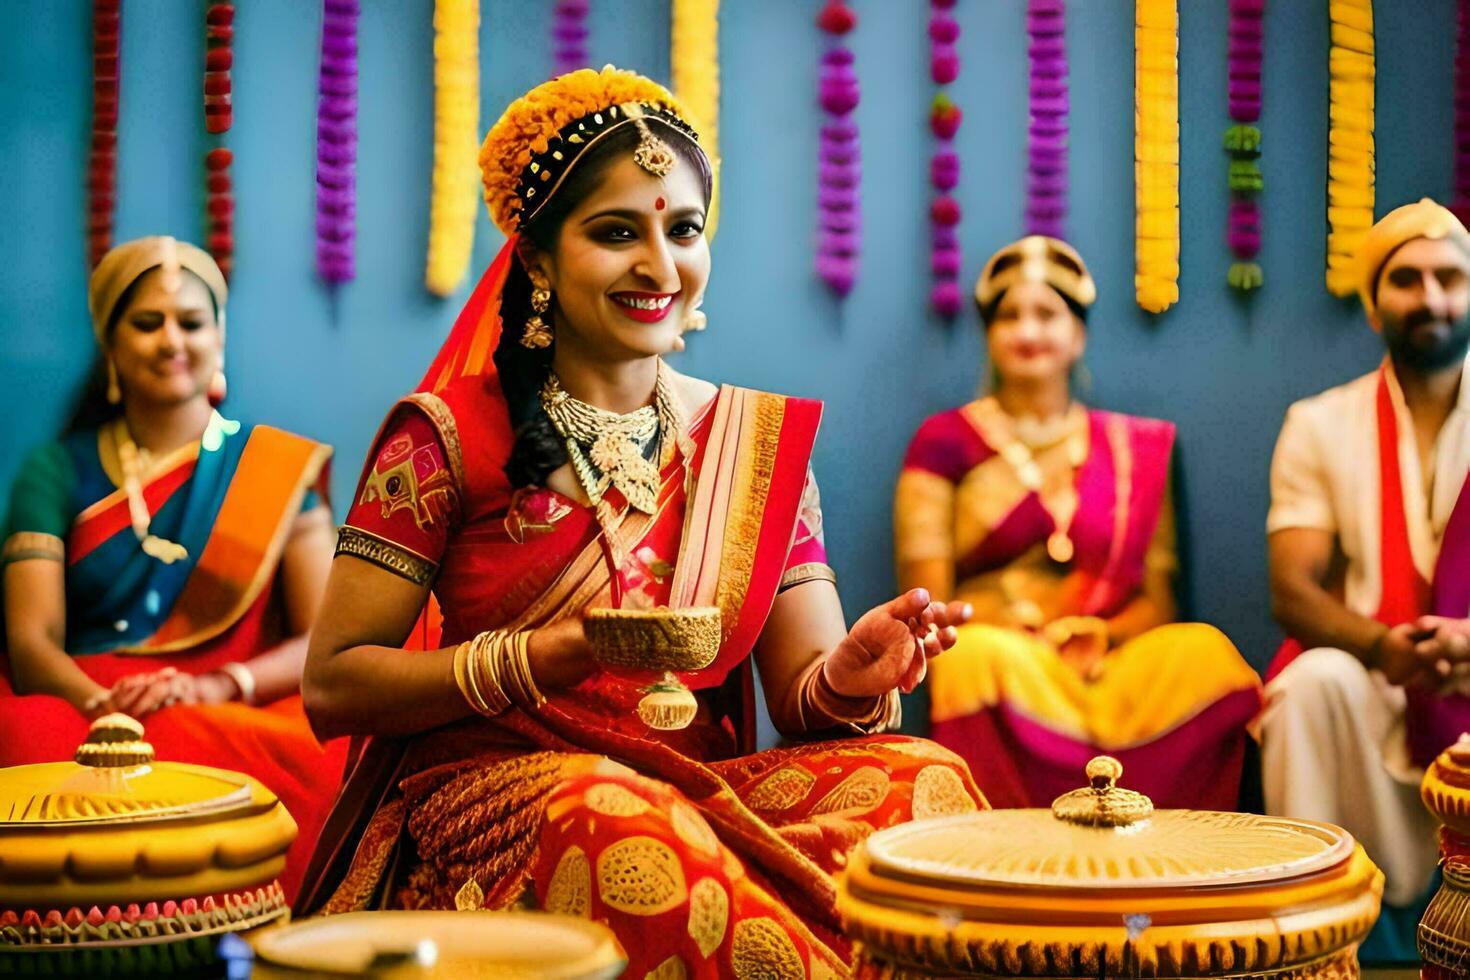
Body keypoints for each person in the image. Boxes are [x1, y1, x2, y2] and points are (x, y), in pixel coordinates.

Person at [294, 68, 982, 977]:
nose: (661, 266)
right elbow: (334, 686)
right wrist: (558, 653)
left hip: (693, 786)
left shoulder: (749, 442)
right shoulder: (448, 437)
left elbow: (801, 701)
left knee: (918, 780)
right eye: (618, 232)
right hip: (504, 801)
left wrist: (852, 677)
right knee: (622, 827)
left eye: (684, 230)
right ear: (536, 257)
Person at [0, 236, 345, 902]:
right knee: (24, 736)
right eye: (147, 322)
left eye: (191, 321)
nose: (171, 340)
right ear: (111, 343)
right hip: (82, 705)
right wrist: (102, 709)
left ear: (219, 338)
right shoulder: (55, 469)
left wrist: (218, 686)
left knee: (325, 751)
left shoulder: (273, 469)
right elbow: (31, 641)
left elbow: (322, 640)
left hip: (227, 700)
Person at [897, 235, 1262, 810]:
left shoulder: (1135, 448)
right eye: (1010, 316)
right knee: (968, 658)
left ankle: (1179, 853)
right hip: (1004, 652)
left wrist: (1101, 635)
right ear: (990, 337)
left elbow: (1159, 599)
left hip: (1108, 655)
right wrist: (1017, 624)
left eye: (1048, 314)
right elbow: (927, 606)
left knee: (1206, 651)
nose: (1028, 331)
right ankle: (1003, 859)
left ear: (1078, 335)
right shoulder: (944, 440)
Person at [1260, 198, 1470, 957]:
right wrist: (1387, 649)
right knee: (1310, 684)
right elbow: (1293, 589)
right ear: (1375, 307)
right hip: (1378, 682)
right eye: (1407, 280)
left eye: (1450, 277)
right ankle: (1312, 945)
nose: (1433, 298)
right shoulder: (1322, 423)